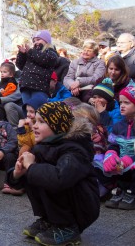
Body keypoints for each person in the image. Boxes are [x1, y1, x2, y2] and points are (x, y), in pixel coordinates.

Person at [6, 101, 100, 245]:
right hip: (66, 199)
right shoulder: (44, 146)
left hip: (82, 207)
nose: (34, 125)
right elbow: (31, 175)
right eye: (34, 121)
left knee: (39, 171)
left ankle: (67, 227)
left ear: (57, 125)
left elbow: (59, 179)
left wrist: (31, 167)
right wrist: (17, 174)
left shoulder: (74, 151)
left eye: (41, 122)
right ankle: (50, 220)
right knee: (34, 172)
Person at [93, 82, 135, 210]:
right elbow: (114, 145)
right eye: (121, 102)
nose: (122, 106)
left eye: (127, 103)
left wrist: (130, 160)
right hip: (120, 165)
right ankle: (115, 187)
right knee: (96, 162)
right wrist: (111, 154)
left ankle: (133, 193)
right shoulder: (119, 126)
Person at [15, 30, 58, 105]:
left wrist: (30, 52)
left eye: (38, 40)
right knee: (27, 109)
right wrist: (22, 54)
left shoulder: (51, 53)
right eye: (34, 41)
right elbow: (20, 65)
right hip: (26, 85)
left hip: (39, 87)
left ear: (46, 41)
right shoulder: (31, 53)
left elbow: (43, 59)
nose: (36, 42)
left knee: (37, 109)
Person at [0, 61, 24, 127]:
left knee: (8, 106)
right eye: (1, 72)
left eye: (4, 72)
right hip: (1, 103)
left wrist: (0, 99)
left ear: (11, 74)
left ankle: (14, 128)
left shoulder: (16, 81)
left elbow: (17, 95)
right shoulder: (2, 82)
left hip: (17, 106)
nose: (2, 74)